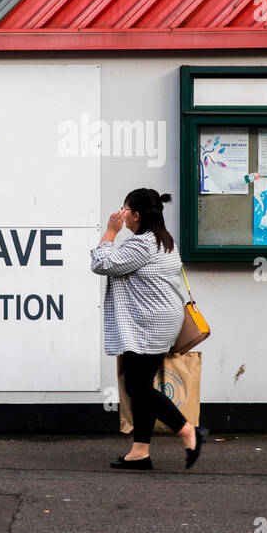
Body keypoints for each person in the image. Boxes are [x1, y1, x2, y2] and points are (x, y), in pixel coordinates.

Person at [90, 188, 209, 470]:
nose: (121, 214)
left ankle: (189, 431)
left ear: (136, 215)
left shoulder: (141, 245)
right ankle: (140, 452)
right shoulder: (165, 240)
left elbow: (101, 263)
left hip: (146, 326)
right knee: (141, 385)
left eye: (125, 209)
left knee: (137, 387)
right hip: (163, 323)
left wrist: (110, 231)